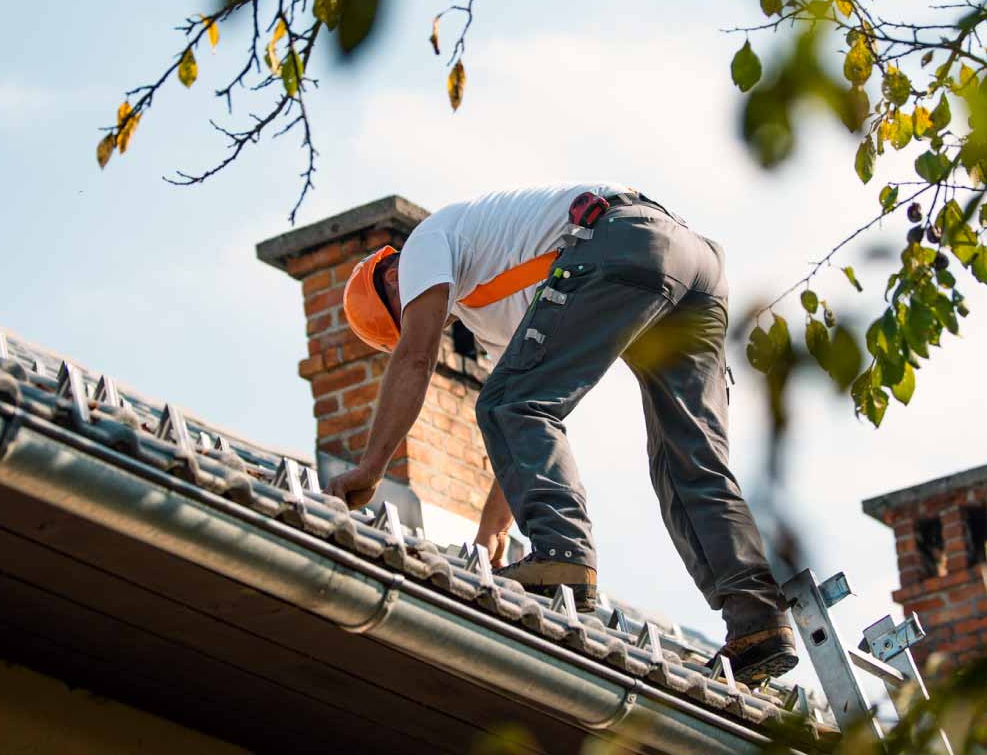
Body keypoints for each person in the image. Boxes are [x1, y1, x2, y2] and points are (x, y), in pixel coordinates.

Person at [323, 184, 797, 685]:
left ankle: (564, 554)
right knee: (687, 459)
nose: (424, 320)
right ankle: (758, 621)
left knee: (508, 403)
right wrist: (494, 533)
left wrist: (370, 468)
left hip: (621, 239)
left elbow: (420, 361)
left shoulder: (422, 245)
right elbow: (524, 423)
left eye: (405, 311)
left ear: (392, 276)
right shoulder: (496, 307)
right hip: (694, 266)